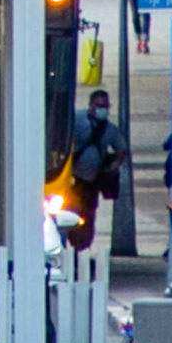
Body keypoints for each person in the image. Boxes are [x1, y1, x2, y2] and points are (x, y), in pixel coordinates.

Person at [65, 86, 127, 258]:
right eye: (99, 106)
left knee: (89, 214)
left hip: (93, 180)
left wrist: (112, 167)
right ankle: (70, 241)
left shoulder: (109, 129)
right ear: (91, 105)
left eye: (106, 106)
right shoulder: (77, 120)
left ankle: (82, 246)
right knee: (70, 211)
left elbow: (121, 150)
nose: (103, 110)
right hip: (73, 178)